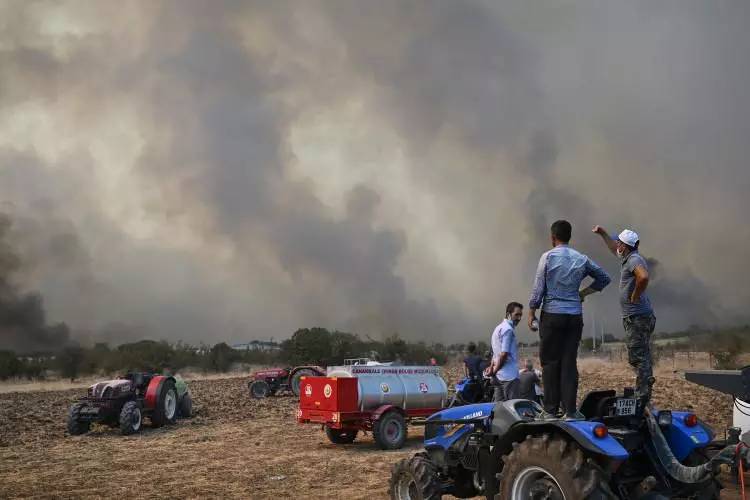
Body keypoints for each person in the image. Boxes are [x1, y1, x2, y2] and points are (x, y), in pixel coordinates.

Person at [528, 220, 611, 420]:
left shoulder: (547, 257)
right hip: (574, 316)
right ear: (569, 237)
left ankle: (549, 410)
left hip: (552, 315)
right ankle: (571, 411)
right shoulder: (581, 259)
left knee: (550, 363)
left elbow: (539, 288)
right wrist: (583, 293)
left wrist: (531, 312)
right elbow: (604, 278)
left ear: (552, 237)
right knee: (568, 363)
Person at [593, 225, 656, 403]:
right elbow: (613, 248)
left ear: (625, 246)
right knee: (639, 355)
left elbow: (643, 277)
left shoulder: (634, 260)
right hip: (637, 317)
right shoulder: (627, 256)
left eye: (618, 242)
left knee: (639, 357)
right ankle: (643, 388)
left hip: (638, 318)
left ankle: (642, 396)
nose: (616, 245)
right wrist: (602, 233)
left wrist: (635, 295)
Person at [486, 302, 523, 402]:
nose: (519, 318)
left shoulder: (497, 329)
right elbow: (504, 354)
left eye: (521, 315)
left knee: (498, 409)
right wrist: (494, 370)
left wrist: (492, 368)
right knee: (513, 409)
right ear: (508, 314)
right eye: (517, 314)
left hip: (498, 378)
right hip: (509, 377)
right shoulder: (508, 330)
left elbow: (495, 354)